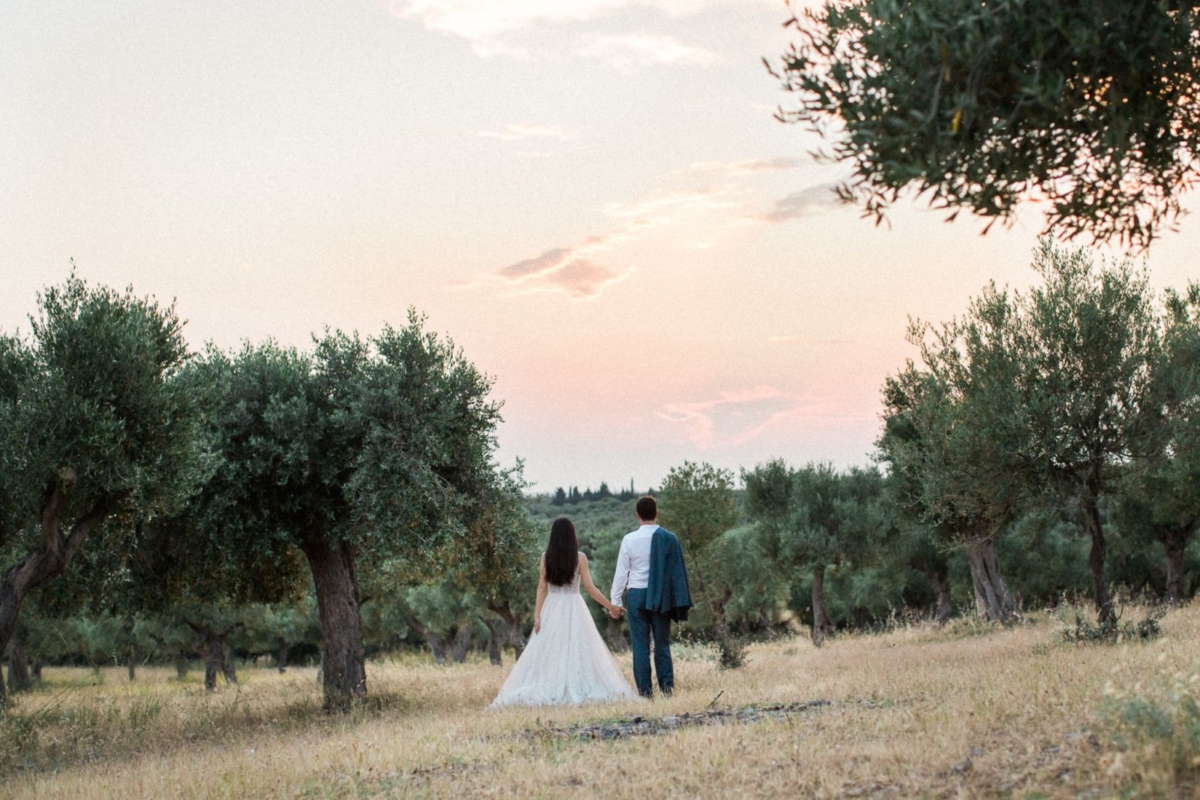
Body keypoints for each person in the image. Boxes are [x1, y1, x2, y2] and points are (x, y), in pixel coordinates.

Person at [491, 517, 638, 707]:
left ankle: (553, 684)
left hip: (552, 606)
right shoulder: (580, 558)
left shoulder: (546, 557)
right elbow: (590, 588)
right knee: (579, 648)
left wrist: (537, 615)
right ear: (572, 535)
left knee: (552, 650)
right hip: (574, 606)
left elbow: (542, 588)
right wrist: (611, 607)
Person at [610, 495, 692, 698]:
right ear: (657, 513)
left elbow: (621, 573)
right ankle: (667, 692)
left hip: (636, 595)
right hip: (660, 596)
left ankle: (645, 694)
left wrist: (615, 602)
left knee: (640, 646)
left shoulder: (629, 539)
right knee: (662, 644)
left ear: (637, 515)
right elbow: (676, 572)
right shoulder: (670, 538)